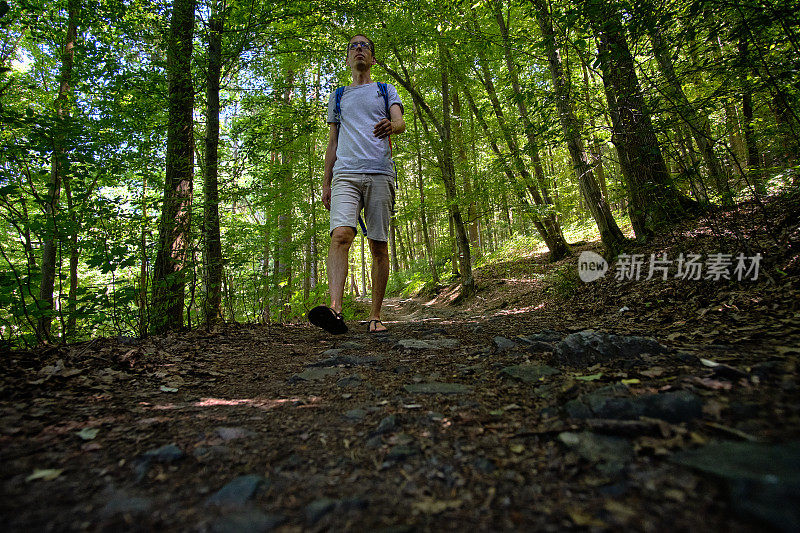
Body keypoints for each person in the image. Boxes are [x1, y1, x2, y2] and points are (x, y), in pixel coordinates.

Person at [308, 34, 406, 335]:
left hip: (380, 172)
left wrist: (393, 125)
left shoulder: (384, 89)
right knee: (340, 235)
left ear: (372, 58)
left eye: (365, 46)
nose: (359, 49)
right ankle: (335, 311)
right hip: (345, 175)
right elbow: (333, 142)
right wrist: (326, 182)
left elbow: (400, 123)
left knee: (378, 244)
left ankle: (376, 316)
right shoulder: (338, 96)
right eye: (353, 46)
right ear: (348, 59)